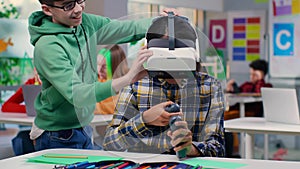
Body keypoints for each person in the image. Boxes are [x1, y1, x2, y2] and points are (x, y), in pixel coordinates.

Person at [28, 0, 178, 151]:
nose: (79, 9)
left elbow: (124, 29)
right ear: (47, 10)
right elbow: (79, 94)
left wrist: (161, 22)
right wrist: (127, 78)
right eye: (68, 5)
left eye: (80, 1)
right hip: (56, 134)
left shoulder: (85, 23)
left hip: (83, 127)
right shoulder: (48, 46)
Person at [102, 15, 225, 157]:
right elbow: (109, 143)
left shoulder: (209, 86)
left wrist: (191, 148)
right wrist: (145, 120)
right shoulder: (136, 85)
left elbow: (218, 147)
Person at [225, 59, 273, 157]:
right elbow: (238, 92)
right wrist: (230, 88)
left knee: (225, 119)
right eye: (251, 74)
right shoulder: (247, 84)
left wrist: (260, 79)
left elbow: (260, 92)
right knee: (225, 120)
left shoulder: (266, 85)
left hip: (251, 113)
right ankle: (233, 151)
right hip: (239, 110)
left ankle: (234, 151)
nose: (251, 77)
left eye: (254, 74)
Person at [95, 45, 129, 115]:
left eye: (104, 66)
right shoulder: (96, 81)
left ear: (116, 67)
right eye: (98, 64)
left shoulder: (128, 88)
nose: (99, 70)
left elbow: (117, 106)